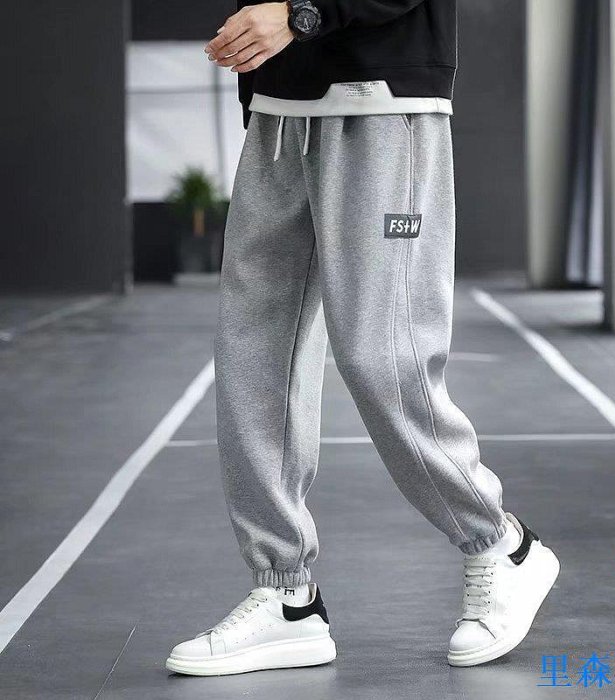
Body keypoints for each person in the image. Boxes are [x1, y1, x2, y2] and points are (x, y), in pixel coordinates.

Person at [166, 0, 559, 676]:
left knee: (383, 353)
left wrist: (302, 14)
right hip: (279, 112)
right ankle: (286, 594)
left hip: (382, 102)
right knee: (254, 358)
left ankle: (503, 546)